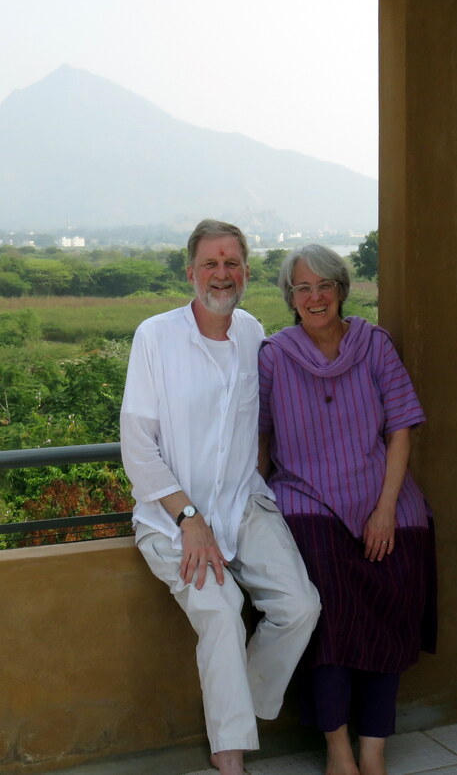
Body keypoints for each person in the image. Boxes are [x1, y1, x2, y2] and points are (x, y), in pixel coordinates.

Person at [120, 219, 321, 775]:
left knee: (300, 607)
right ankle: (228, 754)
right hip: (173, 517)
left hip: (243, 503)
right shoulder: (155, 336)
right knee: (221, 608)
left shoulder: (254, 333)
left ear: (247, 274)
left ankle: (237, 710)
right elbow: (136, 443)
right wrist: (187, 516)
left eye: (232, 262)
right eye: (210, 262)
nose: (221, 273)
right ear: (190, 272)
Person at [257, 244, 436, 775]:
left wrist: (384, 510)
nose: (315, 297)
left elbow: (400, 428)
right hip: (306, 497)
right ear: (290, 297)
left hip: (383, 497)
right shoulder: (274, 354)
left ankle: (373, 748)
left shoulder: (374, 344)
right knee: (327, 610)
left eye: (324, 286)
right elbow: (261, 437)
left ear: (342, 290)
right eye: (302, 288)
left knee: (393, 603)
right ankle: (338, 746)